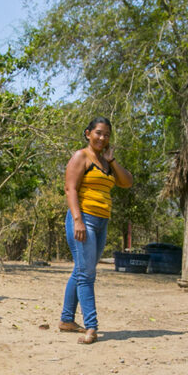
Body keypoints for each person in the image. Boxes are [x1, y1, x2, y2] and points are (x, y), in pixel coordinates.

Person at [58, 117, 133, 345]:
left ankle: (66, 320)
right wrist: (78, 221)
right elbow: (70, 189)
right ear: (88, 133)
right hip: (83, 220)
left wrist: (112, 161)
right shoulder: (81, 157)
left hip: (102, 222)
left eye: (107, 135)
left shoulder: (106, 162)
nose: (102, 138)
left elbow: (127, 182)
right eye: (98, 133)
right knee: (86, 275)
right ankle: (91, 327)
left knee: (81, 270)